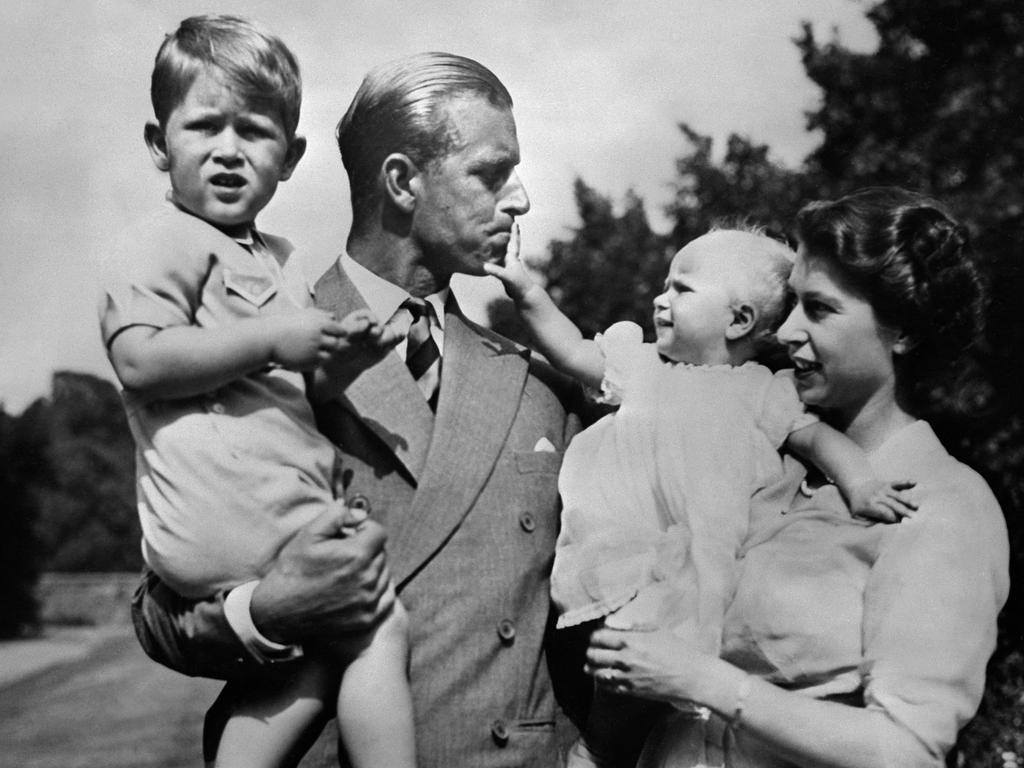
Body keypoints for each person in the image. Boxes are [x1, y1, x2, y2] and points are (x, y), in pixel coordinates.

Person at [128, 50, 585, 768]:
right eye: (493, 173)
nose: (521, 199)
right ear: (402, 181)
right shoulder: (252, 352)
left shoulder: (540, 391)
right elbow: (157, 611)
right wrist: (269, 609)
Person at [584, 187, 1010, 768]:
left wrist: (706, 682)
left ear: (902, 331)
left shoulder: (946, 505)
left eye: (820, 308)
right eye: (789, 306)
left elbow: (906, 749)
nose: (784, 332)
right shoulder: (767, 465)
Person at [98, 15, 417, 768]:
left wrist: (341, 362)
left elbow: (294, 388)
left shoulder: (279, 259)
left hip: (269, 510)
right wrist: (274, 337)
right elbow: (140, 361)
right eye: (204, 127)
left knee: (322, 649)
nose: (229, 151)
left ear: (292, 156)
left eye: (256, 132)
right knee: (378, 624)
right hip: (227, 516)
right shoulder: (161, 240)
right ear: (158, 144)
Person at [486, 225, 915, 766]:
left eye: (682, 289)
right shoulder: (643, 368)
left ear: (739, 319)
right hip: (625, 555)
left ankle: (613, 749)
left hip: (702, 570)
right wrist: (525, 290)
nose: (660, 299)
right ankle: (597, 748)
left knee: (667, 688)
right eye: (666, 285)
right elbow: (572, 351)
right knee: (622, 669)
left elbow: (820, 441)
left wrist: (863, 483)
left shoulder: (764, 391)